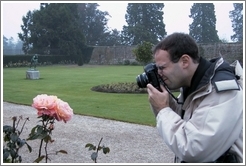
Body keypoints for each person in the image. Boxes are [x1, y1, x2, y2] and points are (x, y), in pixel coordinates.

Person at [146, 32, 243, 163]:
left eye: (162, 68)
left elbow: (193, 149)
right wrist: (164, 100)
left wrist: (163, 109)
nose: (159, 74)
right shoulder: (195, 86)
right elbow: (183, 125)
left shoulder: (222, 90)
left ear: (184, 61)